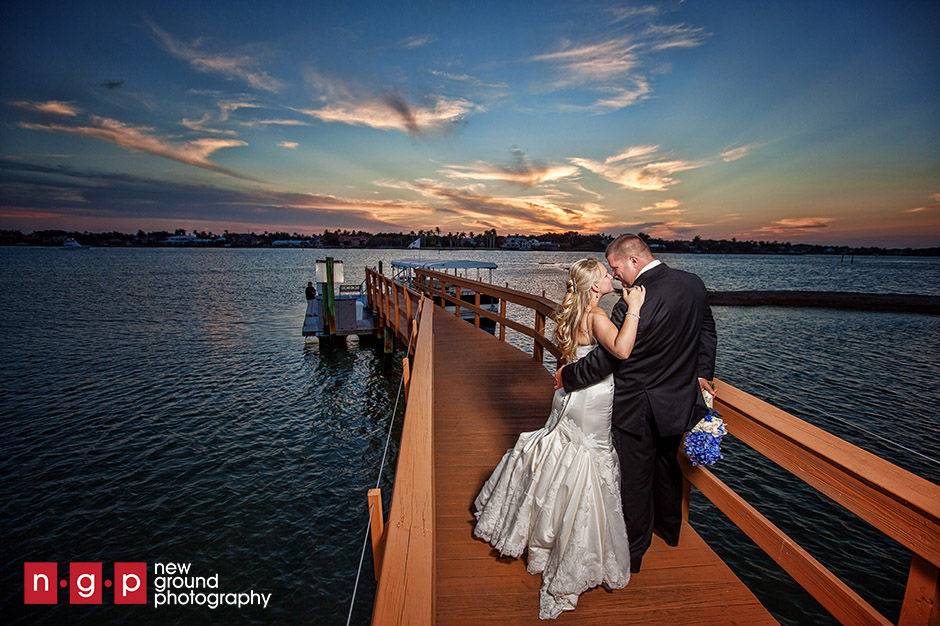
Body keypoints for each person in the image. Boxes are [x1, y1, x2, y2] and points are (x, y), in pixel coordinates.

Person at [473, 258, 646, 619]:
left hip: (569, 395)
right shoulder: (597, 317)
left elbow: (569, 359)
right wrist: (635, 309)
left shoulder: (573, 313)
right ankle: (568, 546)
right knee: (585, 458)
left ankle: (542, 528)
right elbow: (622, 350)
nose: (610, 276)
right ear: (594, 286)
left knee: (561, 450)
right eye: (603, 274)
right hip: (593, 398)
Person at [554, 234, 717, 575]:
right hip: (678, 402)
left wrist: (568, 377)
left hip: (636, 407)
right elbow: (706, 329)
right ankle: (670, 532)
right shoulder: (692, 284)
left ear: (634, 261)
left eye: (616, 268)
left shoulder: (629, 304)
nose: (616, 276)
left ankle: (635, 552)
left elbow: (609, 361)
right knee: (668, 467)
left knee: (636, 480)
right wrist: (703, 375)